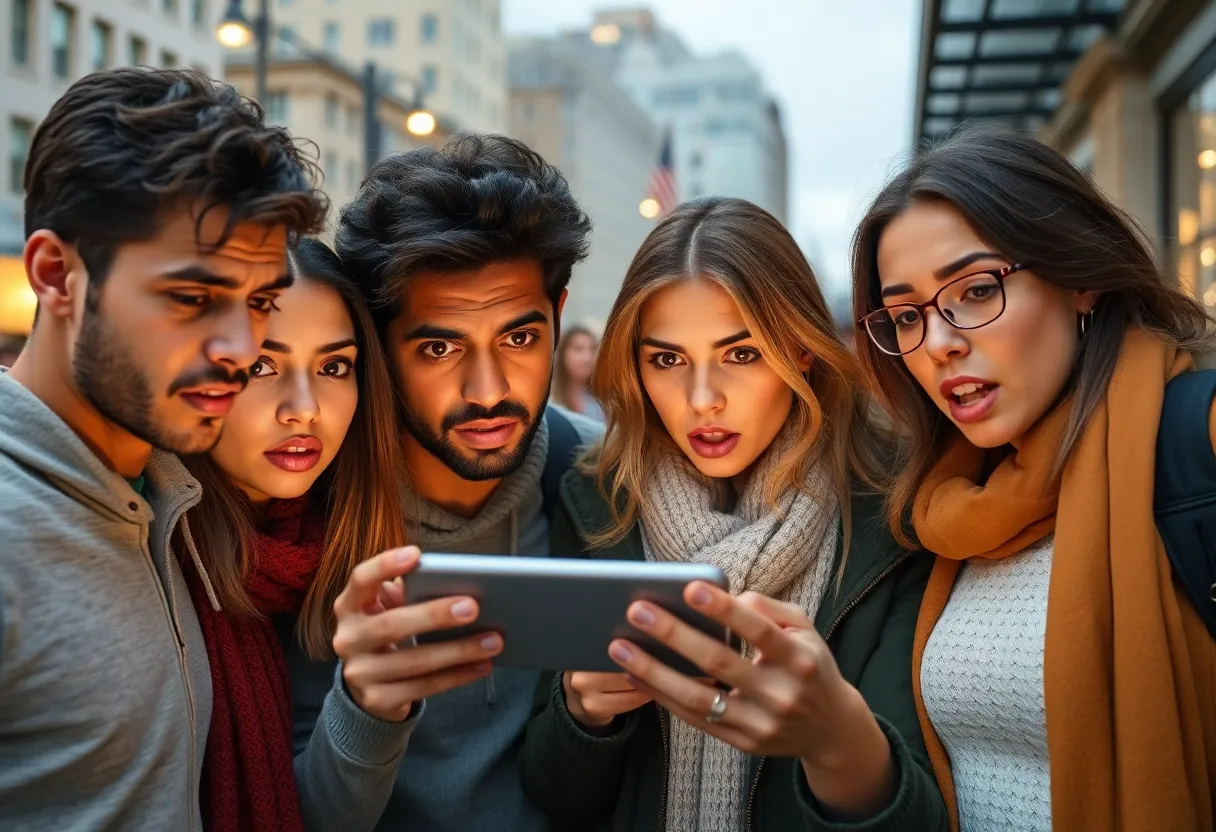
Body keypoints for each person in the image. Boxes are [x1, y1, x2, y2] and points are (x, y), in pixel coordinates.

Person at [519, 196, 948, 831]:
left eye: (741, 354)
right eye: (667, 360)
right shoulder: (599, 501)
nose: (702, 400)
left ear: (801, 349)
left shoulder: (895, 511)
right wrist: (582, 714)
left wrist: (839, 741)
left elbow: (919, 817)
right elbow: (553, 797)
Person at [851, 126, 1216, 832]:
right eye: (905, 316)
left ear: (1079, 278)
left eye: (977, 289)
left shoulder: (1195, 439)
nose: (940, 343)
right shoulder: (942, 508)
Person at [0, 67, 326, 829]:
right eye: (191, 299)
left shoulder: (168, 496)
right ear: (56, 275)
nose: (241, 349)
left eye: (261, 302)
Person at [285, 133, 602, 831]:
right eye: (439, 347)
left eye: (520, 339)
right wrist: (365, 707)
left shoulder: (604, 479)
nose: (488, 392)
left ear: (558, 312)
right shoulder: (304, 498)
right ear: (377, 340)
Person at [177, 239, 410, 831]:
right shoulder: (150, 542)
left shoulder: (321, 549)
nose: (304, 409)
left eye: (334, 367)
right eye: (261, 366)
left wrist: (370, 705)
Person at [552, 324, 604, 420]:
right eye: (578, 349)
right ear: (563, 354)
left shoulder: (605, 402)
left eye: (593, 349)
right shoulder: (550, 401)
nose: (587, 357)